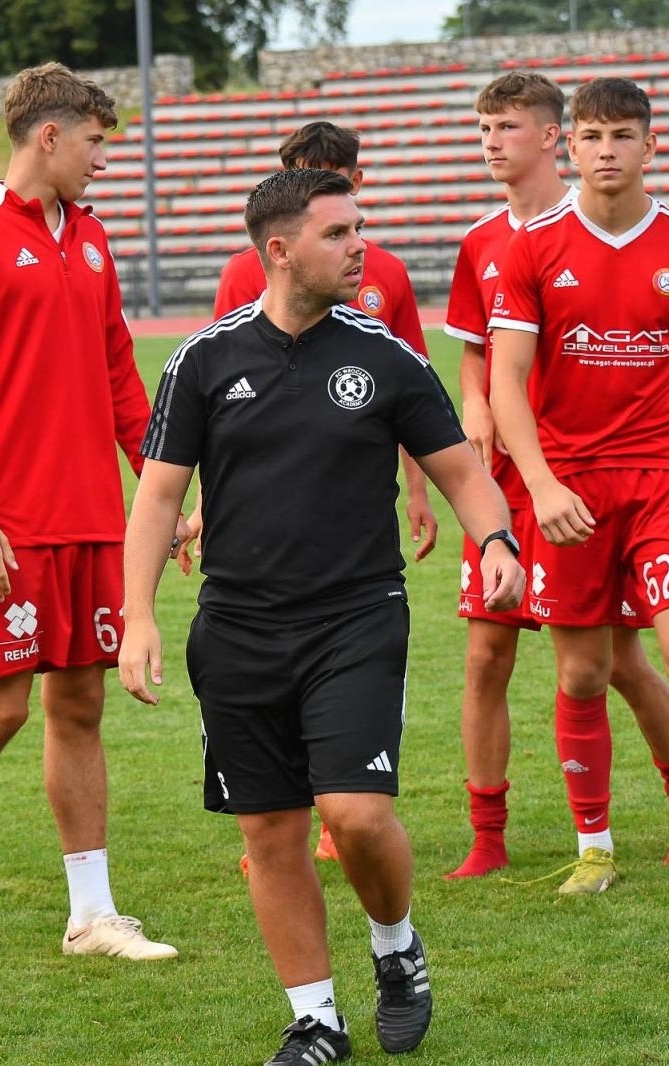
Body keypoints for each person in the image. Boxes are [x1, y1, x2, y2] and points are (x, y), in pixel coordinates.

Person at [121, 167, 525, 1064]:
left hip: (356, 619)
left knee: (356, 813)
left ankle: (396, 948)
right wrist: (137, 615)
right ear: (280, 250)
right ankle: (316, 1021)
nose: (359, 248)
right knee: (271, 834)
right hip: (236, 630)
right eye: (338, 233)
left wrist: (497, 542)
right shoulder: (203, 361)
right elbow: (157, 498)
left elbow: (463, 471)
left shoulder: (385, 356)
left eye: (359, 229)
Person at [0, 62, 179, 967]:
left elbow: (121, 377)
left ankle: (93, 914)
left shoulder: (91, 239)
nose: (102, 161)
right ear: (49, 136)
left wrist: (160, 489)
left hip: (92, 518)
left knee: (80, 705)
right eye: (94, 143)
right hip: (6, 526)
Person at [488, 77, 669, 911]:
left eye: (622, 136)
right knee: (582, 674)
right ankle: (593, 849)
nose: (606, 151)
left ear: (651, 144)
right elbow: (506, 381)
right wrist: (540, 485)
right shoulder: (533, 250)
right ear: (569, 145)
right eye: (592, 136)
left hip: (667, 479)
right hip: (571, 487)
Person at [441, 73, 669, 882]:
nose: (491, 142)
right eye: (482, 128)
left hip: (587, 474)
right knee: (486, 655)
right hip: (504, 478)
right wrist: (475, 406)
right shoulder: (483, 241)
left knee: (615, 662)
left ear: (555, 137)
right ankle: (489, 838)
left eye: (506, 127)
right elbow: (478, 355)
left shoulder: (598, 222)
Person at [211, 120, 438, 872]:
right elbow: (224, 405)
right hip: (262, 530)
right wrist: (206, 508)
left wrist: (417, 491)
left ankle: (342, 818)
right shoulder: (245, 276)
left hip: (352, 523)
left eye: (331, 173)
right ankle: (278, 825)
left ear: (356, 180)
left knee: (343, 675)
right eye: (300, 169)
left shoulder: (386, 276)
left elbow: (415, 394)